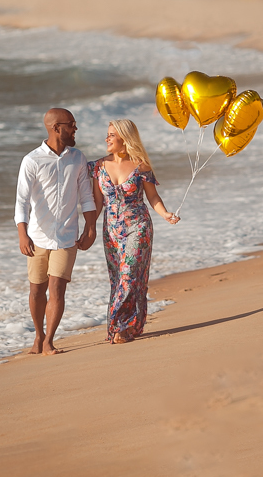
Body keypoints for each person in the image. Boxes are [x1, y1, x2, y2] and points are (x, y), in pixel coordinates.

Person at [14, 108, 98, 355]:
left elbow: (86, 196)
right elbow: (21, 200)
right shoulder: (32, 160)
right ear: (56, 128)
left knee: (58, 288)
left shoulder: (78, 158)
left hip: (67, 235)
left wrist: (91, 227)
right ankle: (38, 336)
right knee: (37, 290)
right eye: (71, 124)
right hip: (38, 236)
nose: (75, 129)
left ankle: (50, 340)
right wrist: (22, 233)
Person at [89, 119, 179, 344]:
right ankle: (132, 325)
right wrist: (88, 229)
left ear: (124, 138)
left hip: (138, 226)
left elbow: (153, 197)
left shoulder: (141, 166)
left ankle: (120, 325)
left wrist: (165, 214)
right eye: (107, 134)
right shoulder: (98, 167)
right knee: (119, 279)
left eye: (112, 135)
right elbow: (97, 203)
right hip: (111, 231)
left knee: (129, 276)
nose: (107, 139)